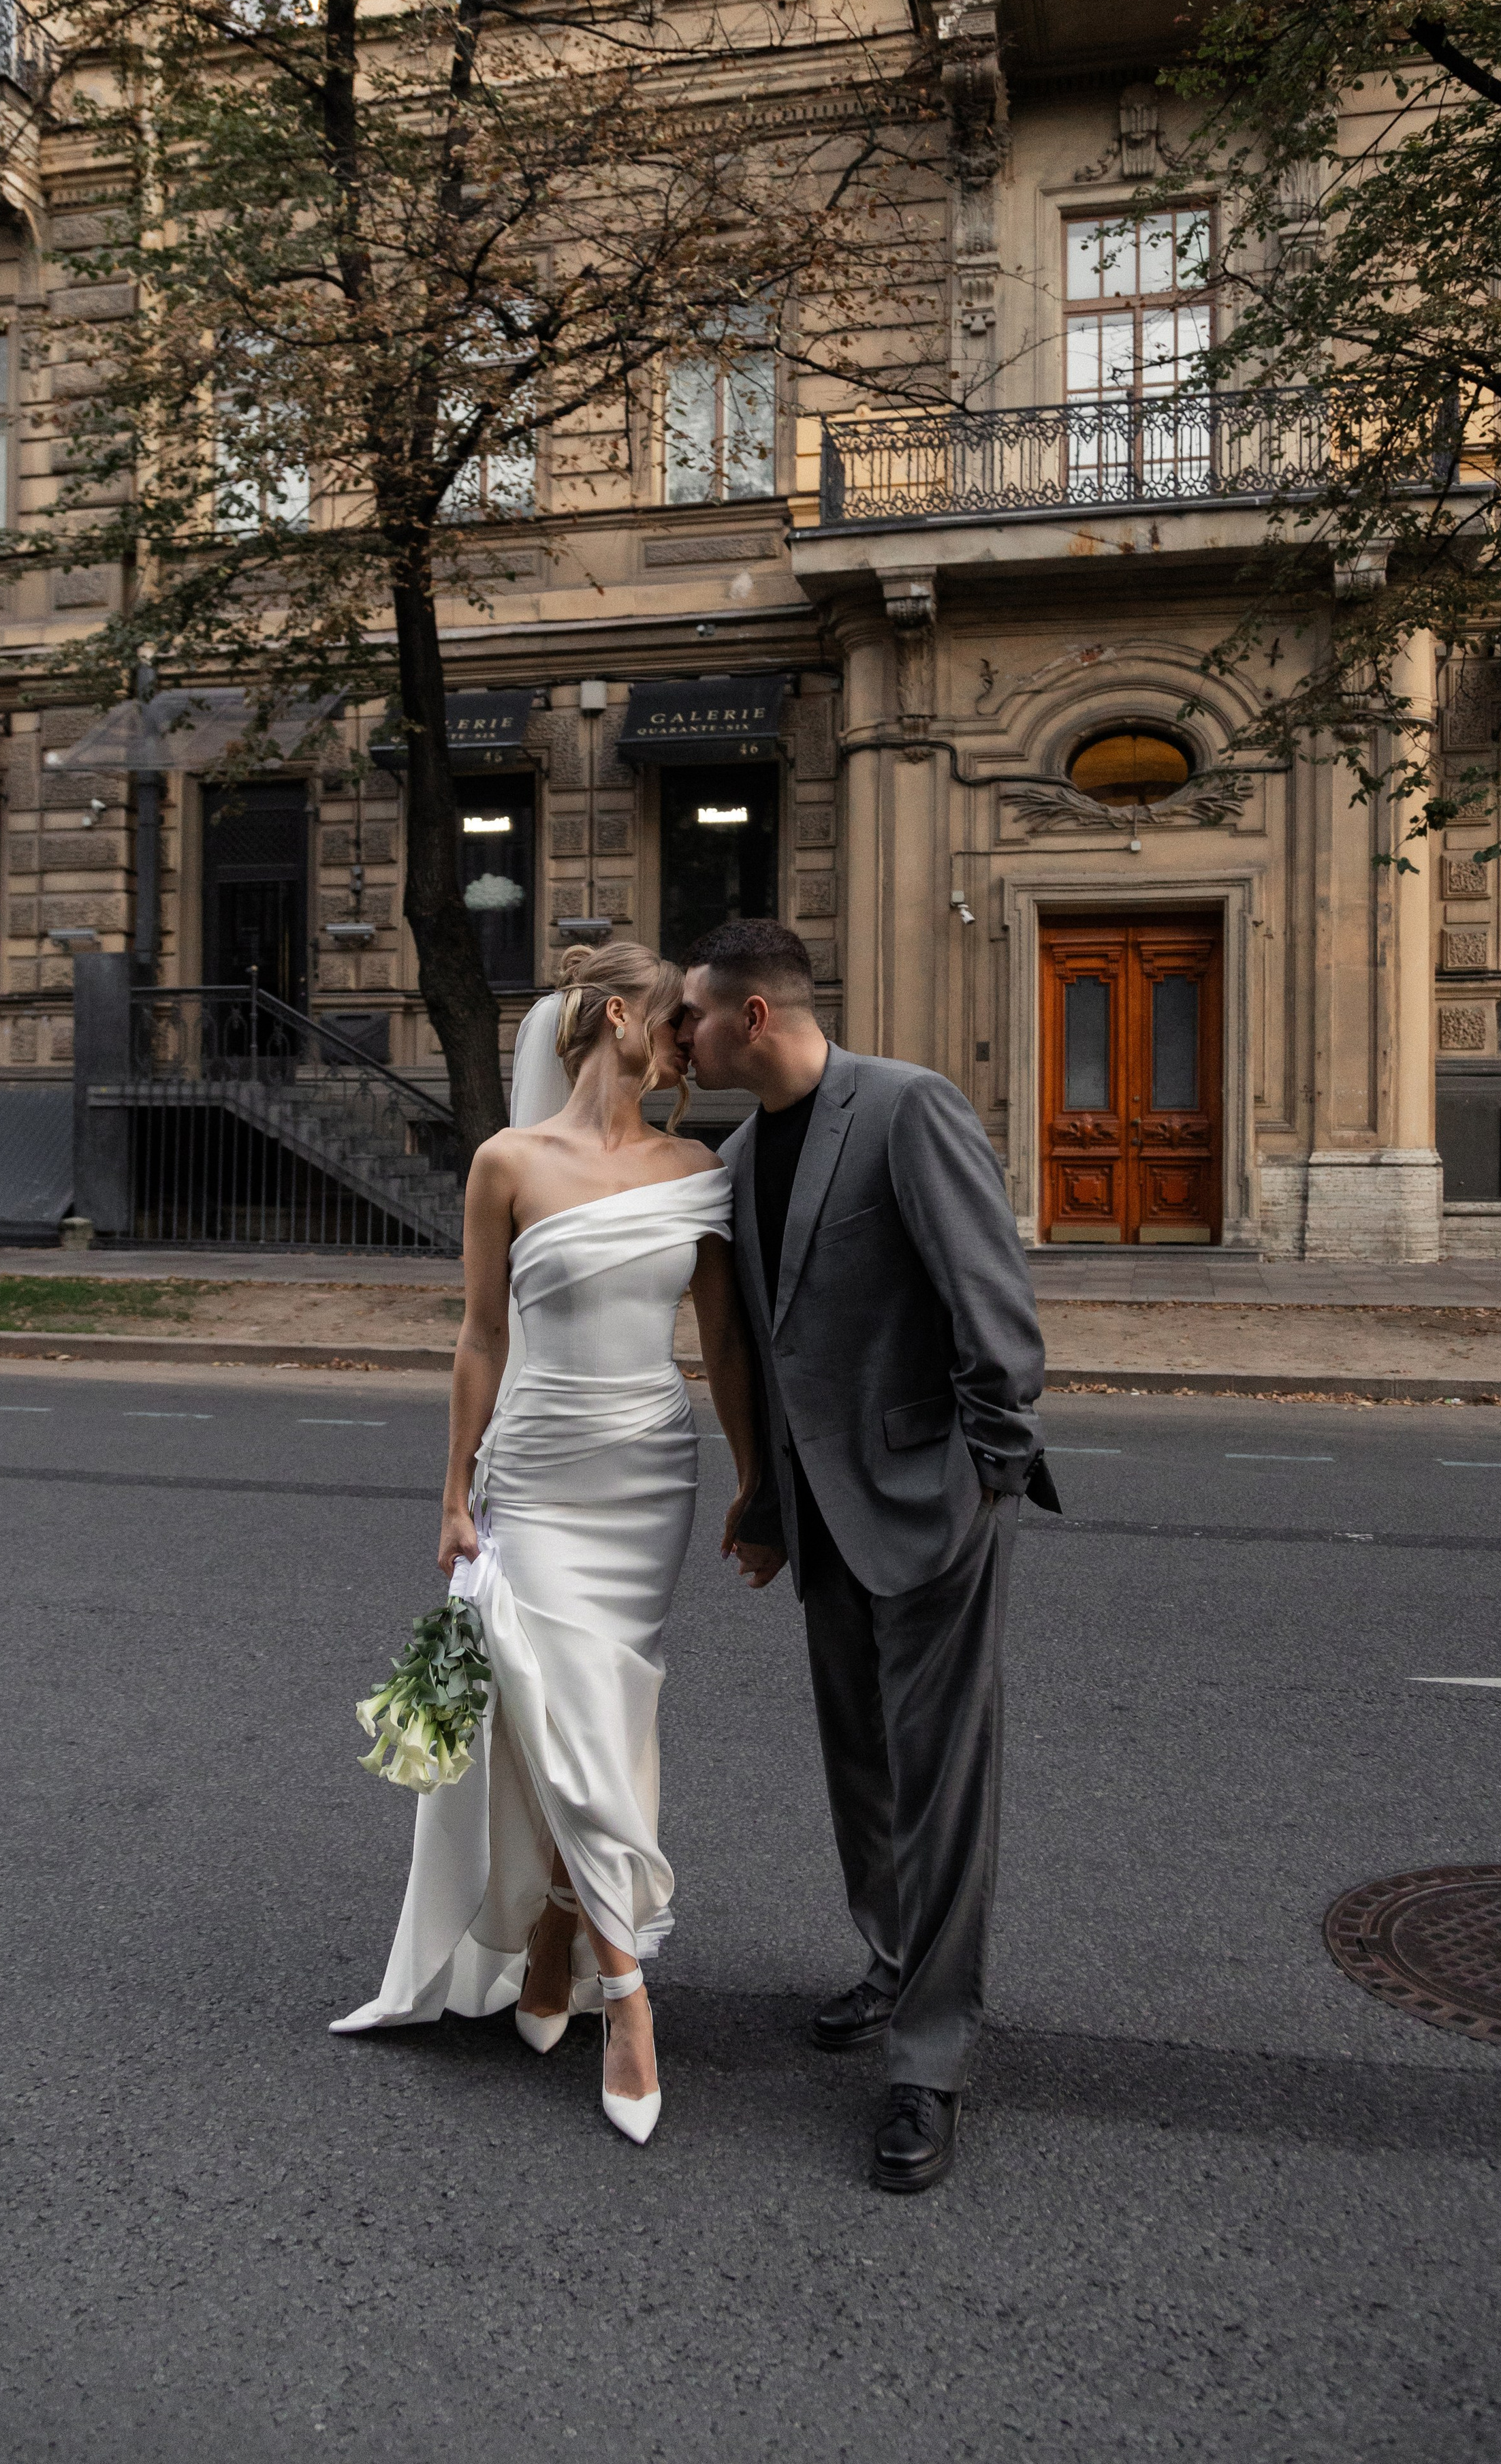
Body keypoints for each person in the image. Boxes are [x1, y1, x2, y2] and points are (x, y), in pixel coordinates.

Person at [330, 942, 764, 2147]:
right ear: (619, 1015)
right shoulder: (505, 1164)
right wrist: (456, 1493)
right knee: (558, 1711)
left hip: (646, 1476)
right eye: (679, 1018)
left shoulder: (698, 1170)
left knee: (605, 1715)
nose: (694, 1038)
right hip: (534, 1476)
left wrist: (756, 1477)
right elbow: (480, 1338)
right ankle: (629, 1999)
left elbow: (723, 1346)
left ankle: (570, 1925)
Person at [677, 919, 1056, 2195]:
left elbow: (991, 1308)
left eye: (694, 1015)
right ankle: (893, 1961)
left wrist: (986, 1476)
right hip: (822, 1513)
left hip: (931, 1497)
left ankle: (929, 2062)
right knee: (862, 1763)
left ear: (756, 1019)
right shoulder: (734, 1157)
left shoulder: (905, 1107)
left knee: (942, 1779)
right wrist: (769, 1504)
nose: (682, 1033)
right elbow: (775, 1349)